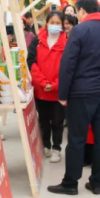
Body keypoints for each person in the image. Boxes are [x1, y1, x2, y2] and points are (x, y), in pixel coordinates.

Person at [48, 0, 100, 196]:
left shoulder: (79, 31)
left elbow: (68, 64)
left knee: (77, 139)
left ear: (81, 12)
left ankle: (70, 182)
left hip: (82, 92)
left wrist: (63, 93)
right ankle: (98, 183)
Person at [27, 11, 67, 163]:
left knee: (58, 121)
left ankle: (57, 148)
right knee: (43, 119)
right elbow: (31, 61)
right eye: (52, 22)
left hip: (58, 90)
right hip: (41, 89)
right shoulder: (38, 40)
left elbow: (68, 66)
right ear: (47, 23)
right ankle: (46, 146)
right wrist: (42, 82)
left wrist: (56, 84)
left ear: (62, 25)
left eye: (58, 23)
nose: (55, 26)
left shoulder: (68, 41)